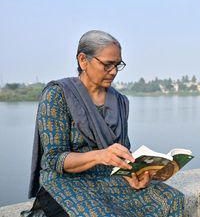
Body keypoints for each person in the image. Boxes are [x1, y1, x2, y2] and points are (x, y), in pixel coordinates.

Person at [24, 30, 184, 217]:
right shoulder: (57, 95)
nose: (114, 71)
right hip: (67, 181)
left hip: (110, 178)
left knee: (172, 199)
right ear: (83, 60)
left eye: (118, 65)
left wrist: (134, 176)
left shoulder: (120, 101)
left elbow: (123, 152)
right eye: (108, 65)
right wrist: (100, 156)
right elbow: (54, 160)